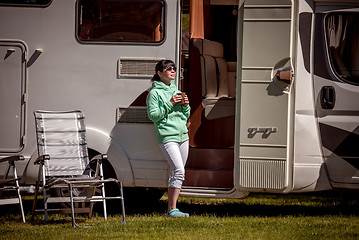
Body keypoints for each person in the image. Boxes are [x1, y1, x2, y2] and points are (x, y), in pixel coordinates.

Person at [146, 60, 191, 218]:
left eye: (174, 68)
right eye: (168, 68)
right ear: (159, 73)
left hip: (183, 137)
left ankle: (172, 209)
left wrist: (186, 106)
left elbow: (185, 116)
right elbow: (153, 116)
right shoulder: (154, 93)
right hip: (167, 137)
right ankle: (172, 209)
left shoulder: (176, 90)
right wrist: (170, 103)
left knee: (177, 172)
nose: (173, 71)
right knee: (179, 171)